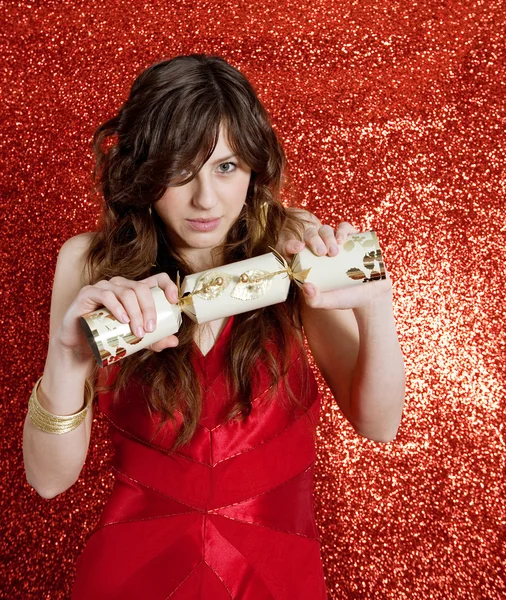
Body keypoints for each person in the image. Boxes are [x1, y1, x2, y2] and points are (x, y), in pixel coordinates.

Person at [22, 54, 405, 599]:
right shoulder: (89, 263)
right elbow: (48, 480)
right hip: (131, 574)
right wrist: (68, 355)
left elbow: (379, 424)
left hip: (276, 572)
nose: (206, 199)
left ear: (253, 167)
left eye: (226, 167)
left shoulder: (294, 244)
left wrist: (376, 304)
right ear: (144, 170)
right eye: (181, 171)